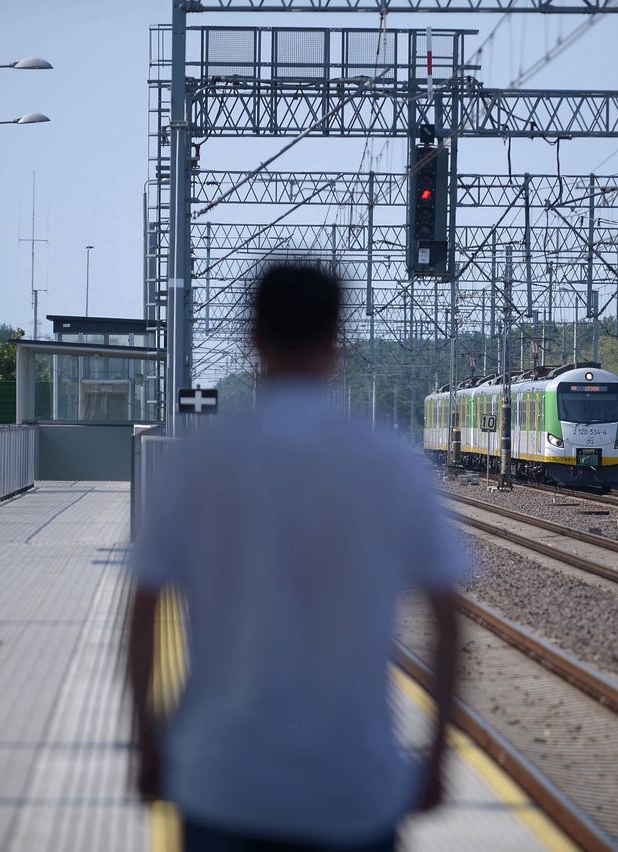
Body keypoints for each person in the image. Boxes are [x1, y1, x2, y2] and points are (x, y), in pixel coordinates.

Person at [126, 261, 466, 851]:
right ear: (339, 343)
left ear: (253, 339)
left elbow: (144, 610)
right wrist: (437, 754)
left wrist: (147, 741)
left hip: (221, 783)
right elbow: (446, 620)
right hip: (354, 787)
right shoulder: (391, 461)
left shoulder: (200, 461)